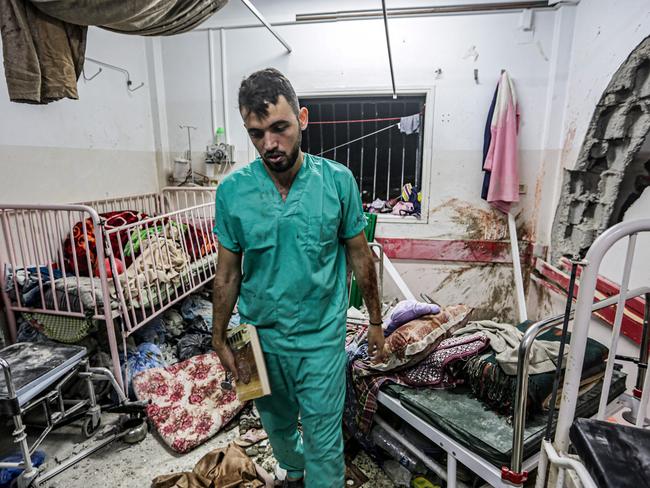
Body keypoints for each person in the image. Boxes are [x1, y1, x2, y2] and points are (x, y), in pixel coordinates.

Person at [211, 67, 384, 488]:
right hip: (255, 338)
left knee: (325, 441)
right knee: (277, 428)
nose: (269, 144)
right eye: (256, 133)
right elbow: (228, 272)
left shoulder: (337, 182)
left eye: (279, 128)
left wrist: (376, 322)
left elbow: (361, 257)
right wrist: (218, 336)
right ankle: (293, 468)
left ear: (302, 119)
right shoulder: (232, 191)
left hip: (320, 338)